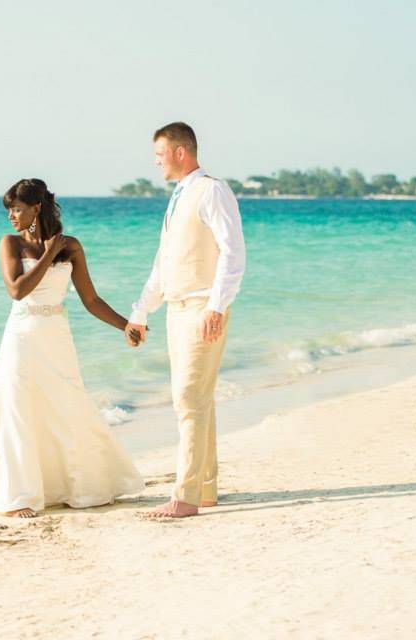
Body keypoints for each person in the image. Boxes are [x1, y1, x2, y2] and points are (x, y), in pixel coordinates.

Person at [0, 178, 145, 531]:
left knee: (64, 405)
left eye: (18, 208)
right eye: (8, 209)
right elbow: (18, 290)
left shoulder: (71, 246)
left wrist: (126, 325)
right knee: (16, 408)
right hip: (21, 338)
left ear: (36, 208)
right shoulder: (10, 244)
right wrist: (49, 254)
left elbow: (91, 299)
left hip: (56, 337)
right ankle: (16, 496)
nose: (11, 215)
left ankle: (75, 485)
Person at [123, 122, 246, 519]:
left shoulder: (211, 190)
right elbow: (164, 265)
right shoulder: (178, 198)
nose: (155, 161)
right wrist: (140, 314)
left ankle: (186, 496)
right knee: (200, 401)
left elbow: (232, 252)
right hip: (177, 310)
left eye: (159, 153)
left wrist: (216, 304)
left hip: (201, 308)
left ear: (180, 152)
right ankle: (205, 489)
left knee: (189, 402)